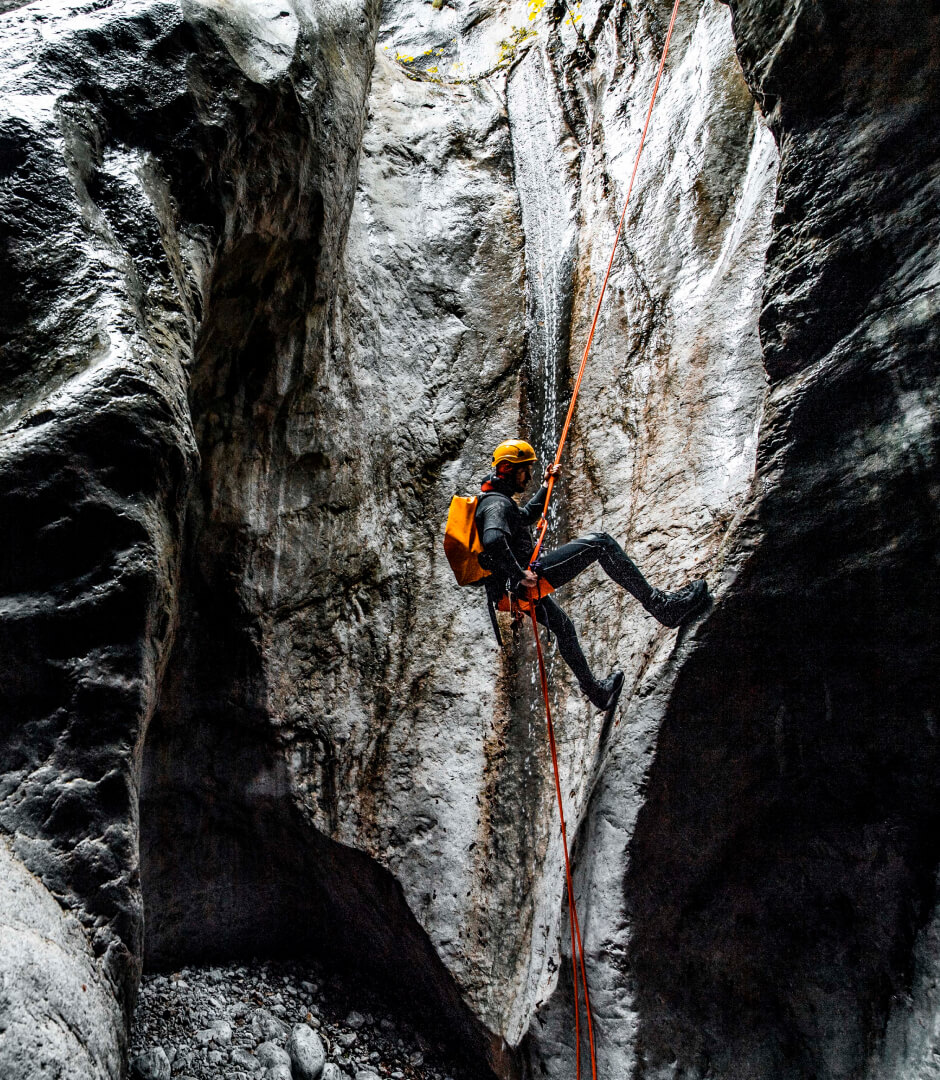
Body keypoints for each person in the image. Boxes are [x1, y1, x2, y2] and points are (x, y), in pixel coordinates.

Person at [476, 439, 709, 712]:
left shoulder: (495, 500)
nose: (528, 476)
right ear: (506, 468)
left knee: (564, 627)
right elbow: (493, 539)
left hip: (508, 593)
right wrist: (520, 575)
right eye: (524, 470)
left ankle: (597, 693)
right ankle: (662, 607)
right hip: (524, 583)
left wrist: (546, 485)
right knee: (600, 543)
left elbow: (526, 516)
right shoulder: (495, 504)